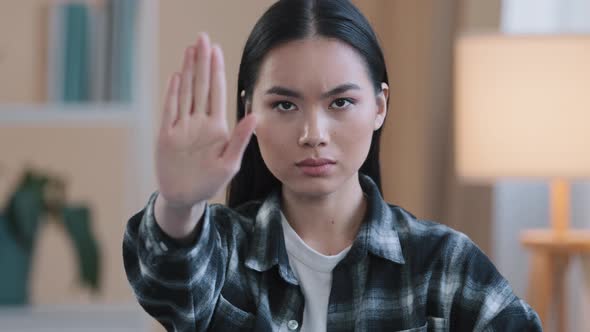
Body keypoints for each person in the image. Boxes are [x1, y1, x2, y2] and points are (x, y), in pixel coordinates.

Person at [123, 0, 542, 331]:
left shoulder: (444, 265)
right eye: (284, 105)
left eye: (340, 102)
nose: (313, 133)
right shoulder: (223, 253)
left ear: (379, 106)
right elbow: (165, 280)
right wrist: (179, 205)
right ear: (249, 110)